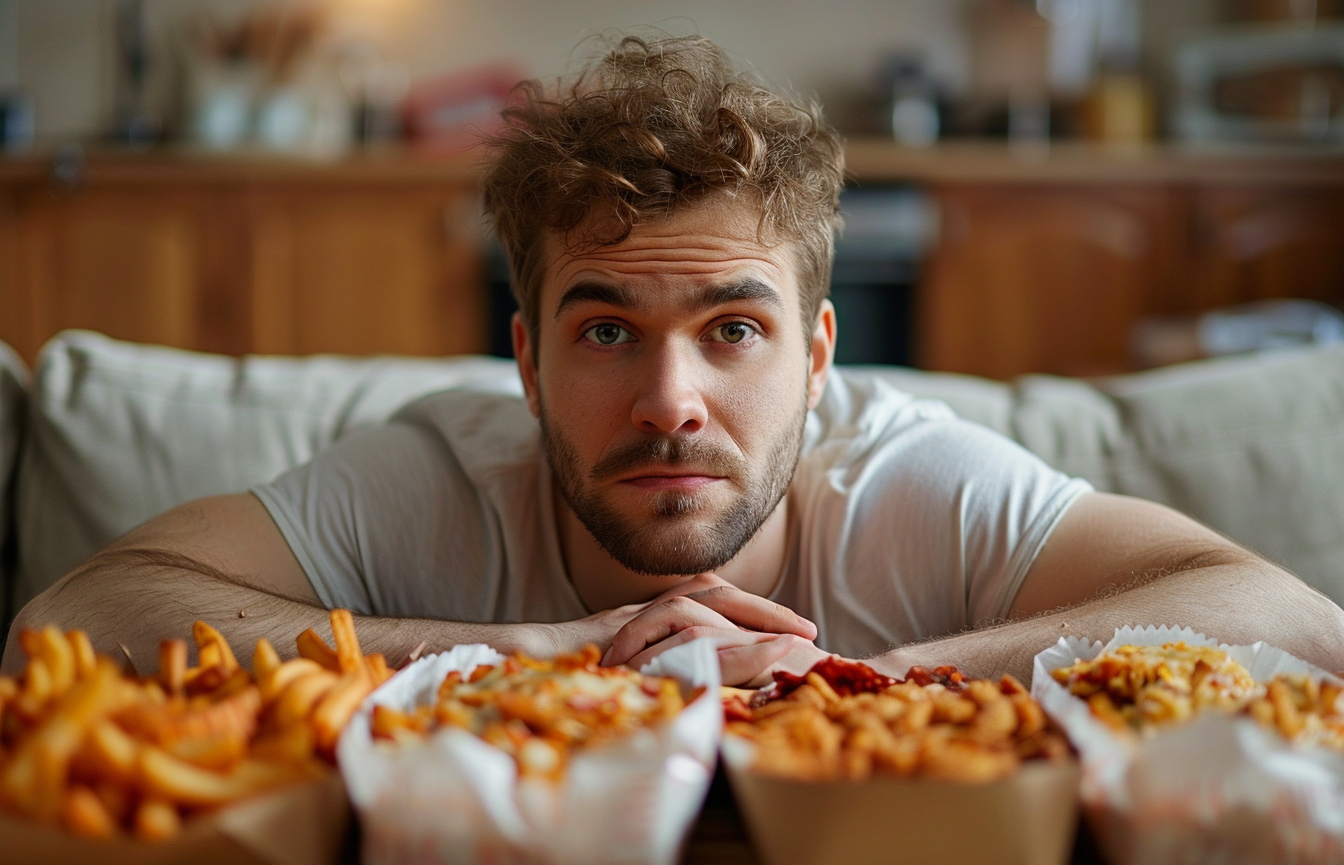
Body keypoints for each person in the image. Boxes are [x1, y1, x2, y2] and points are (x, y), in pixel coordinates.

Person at [5, 34, 1342, 685]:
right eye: (605, 331)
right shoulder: (438, 477)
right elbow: (60, 625)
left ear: (819, 361)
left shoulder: (909, 486)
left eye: (735, 328)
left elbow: (1299, 625)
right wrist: (527, 655)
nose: (668, 401)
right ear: (523, 364)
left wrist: (863, 685)